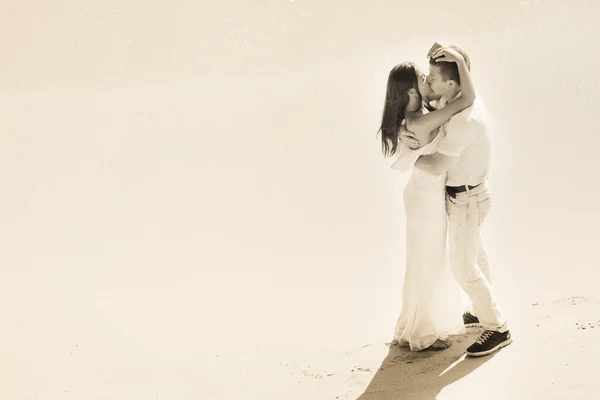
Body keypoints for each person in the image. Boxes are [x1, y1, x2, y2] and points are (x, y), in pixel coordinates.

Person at [408, 44, 513, 357]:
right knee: (476, 255)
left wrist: (405, 156)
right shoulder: (464, 98)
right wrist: (455, 57)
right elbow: (464, 80)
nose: (428, 83)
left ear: (451, 84)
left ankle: (498, 328)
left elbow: (436, 165)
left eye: (432, 78)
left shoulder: (464, 120)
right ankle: (484, 312)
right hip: (471, 195)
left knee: (463, 268)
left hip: (468, 199)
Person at [377, 46, 476, 351]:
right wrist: (459, 61)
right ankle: (422, 331)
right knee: (427, 261)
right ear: (410, 92)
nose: (429, 81)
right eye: (424, 78)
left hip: (424, 194)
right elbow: (467, 99)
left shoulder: (419, 116)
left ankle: (412, 324)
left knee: (423, 260)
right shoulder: (419, 122)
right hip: (425, 197)